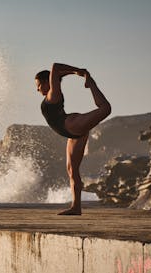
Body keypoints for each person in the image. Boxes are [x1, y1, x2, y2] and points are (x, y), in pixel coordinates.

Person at [35, 63, 111, 215]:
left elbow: (55, 67)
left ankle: (92, 85)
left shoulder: (53, 94)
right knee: (72, 170)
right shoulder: (53, 91)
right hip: (72, 133)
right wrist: (73, 73)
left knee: (105, 109)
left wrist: (78, 71)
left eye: (38, 85)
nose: (37, 89)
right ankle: (76, 207)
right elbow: (57, 74)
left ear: (46, 82)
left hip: (72, 125)